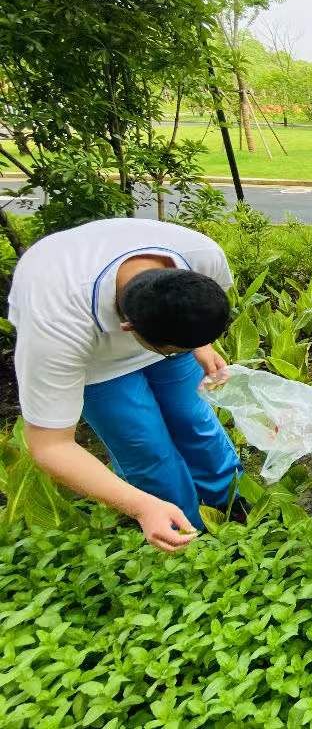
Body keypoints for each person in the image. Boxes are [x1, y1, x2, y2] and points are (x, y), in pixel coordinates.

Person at [8, 218, 240, 553]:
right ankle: (185, 536)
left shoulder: (202, 255)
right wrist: (140, 507)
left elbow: (193, 316)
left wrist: (201, 346)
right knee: (147, 448)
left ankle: (231, 505)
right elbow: (50, 446)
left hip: (158, 329)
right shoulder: (55, 324)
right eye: (179, 349)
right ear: (127, 328)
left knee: (195, 422)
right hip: (96, 360)